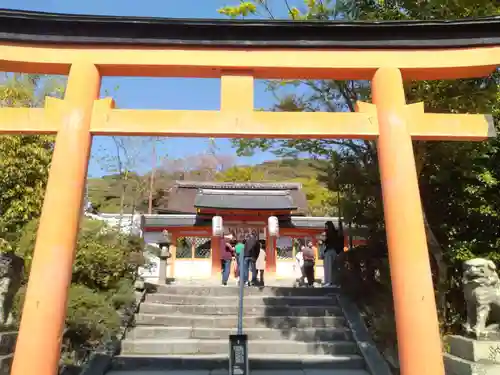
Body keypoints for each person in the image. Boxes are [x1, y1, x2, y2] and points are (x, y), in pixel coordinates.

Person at [323, 220, 344, 287]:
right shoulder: (336, 233)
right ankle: (334, 282)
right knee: (334, 268)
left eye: (326, 227)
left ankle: (329, 281)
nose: (325, 228)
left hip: (330, 251)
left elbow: (326, 243)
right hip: (335, 252)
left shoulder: (329, 234)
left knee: (328, 267)